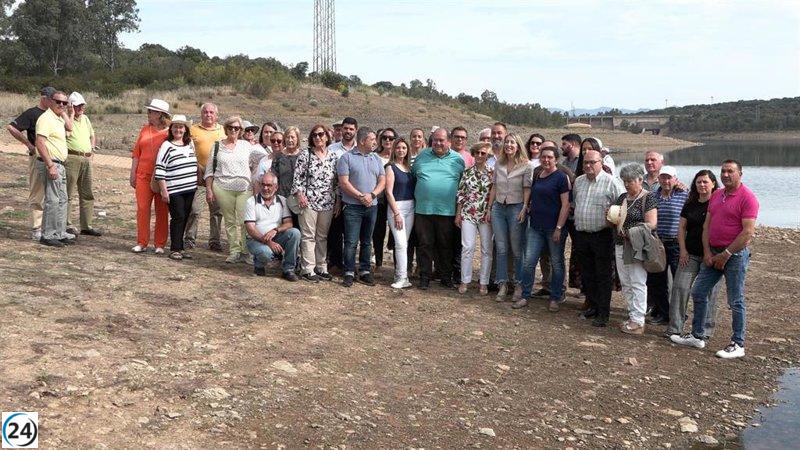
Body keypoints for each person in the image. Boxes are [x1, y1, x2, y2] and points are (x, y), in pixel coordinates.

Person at [672, 160, 758, 359]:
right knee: (699, 291)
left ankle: (738, 343)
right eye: (723, 171)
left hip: (734, 256)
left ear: (740, 174)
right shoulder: (717, 195)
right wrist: (708, 252)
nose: (726, 175)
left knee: (735, 299)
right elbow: (706, 227)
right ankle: (697, 335)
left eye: (730, 171)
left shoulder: (748, 198)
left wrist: (726, 254)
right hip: (713, 252)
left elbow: (747, 233)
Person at [571, 149, 624, 326]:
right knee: (588, 273)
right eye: (585, 162)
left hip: (602, 235)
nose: (588, 165)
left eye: (592, 162)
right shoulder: (578, 182)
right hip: (582, 235)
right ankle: (592, 305)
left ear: (601, 162)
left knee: (603, 275)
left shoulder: (611, 182)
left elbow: (623, 203)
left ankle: (603, 312)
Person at [665, 170, 721, 338]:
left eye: (705, 182)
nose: (702, 185)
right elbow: (681, 228)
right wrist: (683, 250)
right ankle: (675, 328)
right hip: (690, 254)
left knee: (709, 293)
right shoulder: (690, 203)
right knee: (680, 288)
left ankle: (705, 330)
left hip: (711, 256)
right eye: (699, 182)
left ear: (713, 183)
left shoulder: (718, 202)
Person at [517, 146, 571, 311]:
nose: (546, 160)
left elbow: (566, 205)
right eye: (544, 157)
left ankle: (555, 297)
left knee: (556, 262)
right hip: (535, 227)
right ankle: (525, 295)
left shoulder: (561, 177)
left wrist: (559, 228)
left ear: (556, 159)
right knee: (528, 262)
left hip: (554, 228)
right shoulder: (538, 175)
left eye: (550, 157)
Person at [412, 128, 465, 290]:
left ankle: (445, 277)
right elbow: (414, 176)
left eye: (441, 140)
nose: (438, 143)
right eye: (435, 140)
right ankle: (425, 277)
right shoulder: (422, 156)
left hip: (447, 211)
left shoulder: (458, 160)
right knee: (425, 245)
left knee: (445, 246)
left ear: (448, 141)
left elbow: (463, 186)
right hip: (423, 210)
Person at [204, 116, 261, 264]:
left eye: (237, 128)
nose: (233, 130)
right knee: (229, 221)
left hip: (244, 188)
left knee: (244, 220)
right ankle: (234, 250)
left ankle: (245, 251)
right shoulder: (217, 146)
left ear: (241, 130)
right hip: (222, 187)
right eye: (231, 128)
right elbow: (209, 171)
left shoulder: (247, 146)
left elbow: (260, 161)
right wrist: (209, 190)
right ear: (226, 129)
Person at [611, 164, 658, 335]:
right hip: (620, 244)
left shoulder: (648, 197)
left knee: (637, 281)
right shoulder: (622, 197)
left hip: (636, 244)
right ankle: (632, 315)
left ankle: (638, 319)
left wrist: (630, 231)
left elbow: (652, 223)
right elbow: (615, 218)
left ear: (640, 180)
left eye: (630, 181)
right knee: (625, 281)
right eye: (625, 181)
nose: (627, 184)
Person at [337, 127, 385, 287]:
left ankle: (365, 271)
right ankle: (349, 271)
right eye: (373, 139)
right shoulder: (346, 158)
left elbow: (382, 181)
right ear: (363, 140)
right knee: (351, 241)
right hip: (352, 207)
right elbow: (344, 182)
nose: (375, 143)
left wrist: (371, 195)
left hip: (372, 206)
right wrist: (360, 196)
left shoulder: (376, 159)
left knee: (366, 241)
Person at [292, 124, 340, 282]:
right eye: (315, 135)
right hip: (308, 202)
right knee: (308, 236)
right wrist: (300, 195)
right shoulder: (305, 155)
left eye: (321, 134)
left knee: (322, 236)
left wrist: (338, 201)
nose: (318, 138)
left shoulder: (333, 156)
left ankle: (321, 267)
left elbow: (337, 182)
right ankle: (307, 269)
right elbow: (297, 178)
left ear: (327, 136)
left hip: (327, 202)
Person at [7, 87, 55, 240]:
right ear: (44, 98)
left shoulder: (54, 114)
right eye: (52, 99)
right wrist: (29, 145)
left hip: (54, 158)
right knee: (37, 191)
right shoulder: (32, 113)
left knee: (54, 193)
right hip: (38, 157)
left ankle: (52, 226)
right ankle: (36, 228)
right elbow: (12, 127)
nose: (55, 102)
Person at [487, 133, 530, 300]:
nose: (509, 145)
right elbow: (494, 187)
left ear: (518, 145)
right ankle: (502, 284)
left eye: (512, 143)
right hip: (499, 208)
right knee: (501, 248)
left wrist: (524, 207)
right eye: (507, 143)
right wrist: (489, 208)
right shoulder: (499, 163)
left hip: (516, 208)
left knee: (517, 249)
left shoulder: (526, 166)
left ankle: (518, 284)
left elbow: (527, 188)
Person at [646, 165, 689, 325]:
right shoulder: (652, 196)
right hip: (657, 243)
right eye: (663, 177)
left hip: (676, 244)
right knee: (657, 280)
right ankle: (664, 313)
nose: (665, 181)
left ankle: (679, 315)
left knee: (679, 282)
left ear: (675, 179)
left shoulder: (684, 194)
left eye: (669, 177)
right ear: (658, 179)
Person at [153, 115, 197, 260]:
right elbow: (160, 168)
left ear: (185, 129)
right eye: (176, 127)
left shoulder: (190, 144)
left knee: (185, 216)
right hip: (174, 189)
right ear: (171, 129)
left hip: (189, 188)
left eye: (181, 127)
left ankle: (181, 247)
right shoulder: (166, 146)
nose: (178, 129)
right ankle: (175, 249)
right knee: (178, 216)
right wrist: (164, 190)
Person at [130, 98, 170, 253]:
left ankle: (159, 244)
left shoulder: (169, 132)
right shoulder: (145, 129)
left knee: (162, 210)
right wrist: (132, 173)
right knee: (142, 208)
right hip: (143, 175)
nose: (148, 113)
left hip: (161, 178)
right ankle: (142, 242)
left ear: (160, 114)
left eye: (151, 111)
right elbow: (136, 153)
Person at [35, 90, 74, 247]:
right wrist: (50, 165)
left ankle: (59, 232)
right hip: (52, 163)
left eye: (65, 103)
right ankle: (48, 234)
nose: (62, 105)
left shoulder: (58, 118)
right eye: (58, 102)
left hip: (60, 164)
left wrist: (65, 112)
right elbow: (40, 142)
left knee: (62, 199)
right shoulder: (46, 119)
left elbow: (70, 127)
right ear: (50, 101)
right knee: (52, 199)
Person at [244, 172, 301, 281]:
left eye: (269, 185)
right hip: (256, 239)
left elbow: (289, 223)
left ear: (276, 187)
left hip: (276, 236)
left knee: (295, 233)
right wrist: (268, 241)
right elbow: (250, 229)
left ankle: (288, 269)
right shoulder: (251, 202)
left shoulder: (282, 200)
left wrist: (276, 230)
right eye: (263, 185)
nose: (265, 188)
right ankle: (259, 264)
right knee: (266, 252)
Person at [186, 103, 225, 251]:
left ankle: (214, 241)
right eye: (205, 112)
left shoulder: (223, 131)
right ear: (201, 114)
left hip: (218, 178)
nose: (208, 115)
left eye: (211, 112)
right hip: (198, 177)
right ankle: (189, 239)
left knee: (217, 212)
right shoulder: (193, 130)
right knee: (195, 210)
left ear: (216, 115)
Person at [455, 142, 493, 295]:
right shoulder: (467, 172)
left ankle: (484, 282)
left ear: (487, 155)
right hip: (468, 213)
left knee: (486, 249)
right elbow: (461, 194)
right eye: (477, 152)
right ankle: (465, 280)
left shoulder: (492, 173)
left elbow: (494, 194)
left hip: (485, 215)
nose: (479, 156)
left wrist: (490, 210)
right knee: (467, 247)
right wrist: (458, 213)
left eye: (483, 153)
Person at [64, 92, 101, 237]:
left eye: (82, 105)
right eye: (78, 105)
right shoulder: (65, 118)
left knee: (87, 192)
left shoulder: (85, 119)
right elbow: (68, 132)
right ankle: (67, 224)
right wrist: (71, 114)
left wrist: (92, 148)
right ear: (71, 106)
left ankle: (86, 225)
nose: (81, 108)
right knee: (68, 193)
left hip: (86, 158)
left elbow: (92, 134)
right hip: (72, 157)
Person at [326, 118, 358, 274]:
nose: (348, 131)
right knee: (335, 231)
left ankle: (350, 264)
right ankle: (336, 262)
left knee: (352, 234)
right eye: (345, 128)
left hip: (355, 197)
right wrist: (337, 198)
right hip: (335, 196)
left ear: (355, 131)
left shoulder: (361, 149)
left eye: (351, 129)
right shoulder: (332, 149)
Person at [385, 138, 416, 289]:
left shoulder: (409, 167)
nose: (401, 150)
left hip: (410, 207)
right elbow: (388, 192)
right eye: (398, 148)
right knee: (400, 243)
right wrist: (396, 213)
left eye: (404, 148)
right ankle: (402, 277)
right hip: (396, 207)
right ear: (394, 150)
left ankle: (401, 274)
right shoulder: (390, 167)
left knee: (405, 243)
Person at [372, 128, 397, 268]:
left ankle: (397, 265)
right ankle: (379, 263)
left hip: (395, 200)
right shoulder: (374, 156)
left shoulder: (399, 157)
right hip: (380, 200)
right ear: (380, 140)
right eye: (385, 137)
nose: (388, 140)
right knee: (379, 232)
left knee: (395, 232)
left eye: (391, 138)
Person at [271, 126, 302, 226]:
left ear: (297, 139)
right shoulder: (279, 157)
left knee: (299, 226)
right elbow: (274, 177)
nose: (290, 140)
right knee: (284, 225)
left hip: (299, 198)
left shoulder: (303, 155)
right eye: (287, 137)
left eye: (293, 137)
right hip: (282, 197)